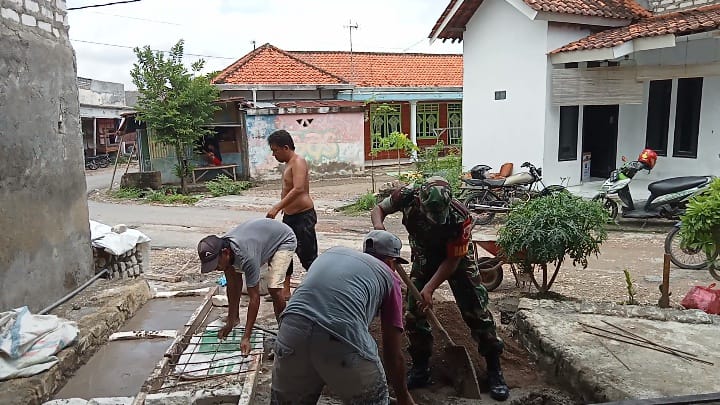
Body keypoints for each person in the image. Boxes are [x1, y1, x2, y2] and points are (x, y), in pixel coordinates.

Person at [370, 176, 510, 401]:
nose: (436, 220)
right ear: (421, 201)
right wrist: (380, 230)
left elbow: (453, 261)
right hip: (424, 256)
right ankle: (421, 367)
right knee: (413, 313)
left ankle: (494, 369)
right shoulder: (407, 195)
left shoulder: (461, 216)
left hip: (458, 259)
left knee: (476, 310)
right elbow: (378, 209)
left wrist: (430, 288)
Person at [270, 230, 415, 405]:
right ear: (391, 262)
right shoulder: (390, 278)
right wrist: (403, 396)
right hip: (340, 338)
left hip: (290, 332)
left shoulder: (332, 253)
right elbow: (392, 352)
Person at [197, 218, 296, 355]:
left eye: (216, 264)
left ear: (225, 253)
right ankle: (235, 319)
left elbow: (254, 298)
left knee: (273, 287)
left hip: (284, 239)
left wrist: (246, 337)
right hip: (261, 238)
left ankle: (285, 332)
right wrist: (230, 322)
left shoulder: (247, 256)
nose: (216, 269)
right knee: (233, 282)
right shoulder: (224, 250)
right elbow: (233, 288)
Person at [266, 129, 318, 301]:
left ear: (285, 147)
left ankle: (319, 289)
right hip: (290, 217)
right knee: (284, 252)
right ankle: (285, 290)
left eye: (275, 150)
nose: (274, 154)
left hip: (303, 216)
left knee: (308, 257)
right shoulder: (288, 164)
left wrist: (277, 207)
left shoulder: (298, 162)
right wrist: (284, 208)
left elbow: (298, 189)